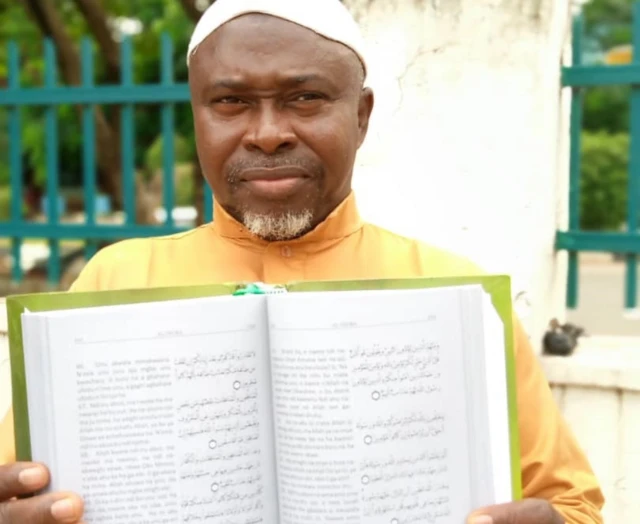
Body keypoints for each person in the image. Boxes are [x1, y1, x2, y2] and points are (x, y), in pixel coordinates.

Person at [0, 0, 604, 522]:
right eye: (231, 102)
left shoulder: (455, 295)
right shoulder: (116, 281)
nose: (267, 134)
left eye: (305, 98)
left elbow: (570, 505)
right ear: (197, 116)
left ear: (361, 116)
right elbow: (23, 487)